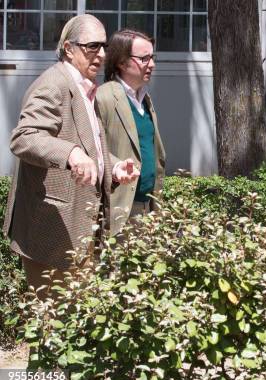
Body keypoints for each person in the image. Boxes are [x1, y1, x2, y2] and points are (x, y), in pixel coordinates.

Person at [2, 15, 139, 297]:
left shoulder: (84, 87)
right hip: (51, 233)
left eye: (104, 46)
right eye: (92, 47)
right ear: (69, 48)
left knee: (74, 326)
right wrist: (71, 153)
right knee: (54, 328)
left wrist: (112, 168)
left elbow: (88, 144)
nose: (101, 55)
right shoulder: (53, 84)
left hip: (80, 229)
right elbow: (24, 137)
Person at [97, 29, 166, 236]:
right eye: (144, 58)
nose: (152, 64)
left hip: (148, 206)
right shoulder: (104, 98)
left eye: (152, 57)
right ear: (121, 62)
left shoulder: (144, 98)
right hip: (120, 210)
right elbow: (93, 150)